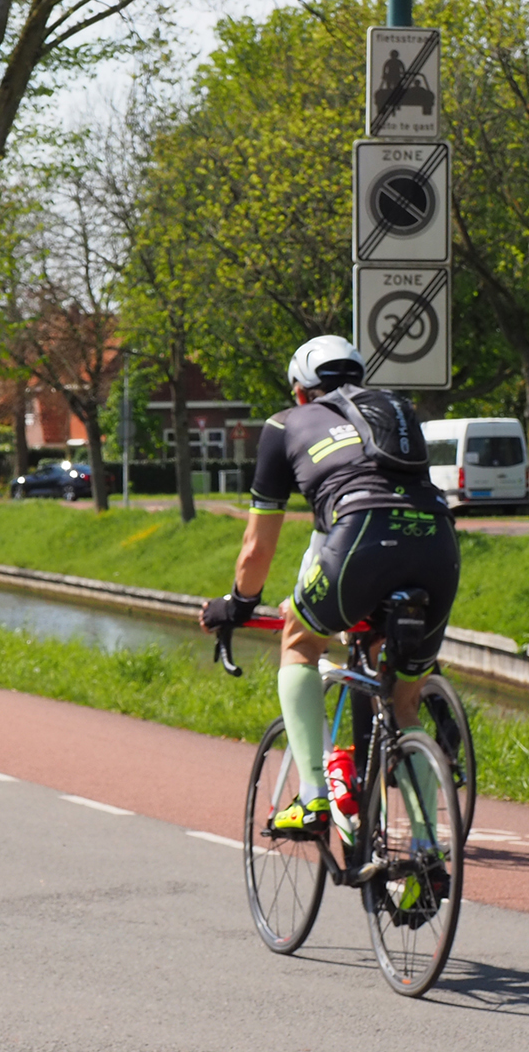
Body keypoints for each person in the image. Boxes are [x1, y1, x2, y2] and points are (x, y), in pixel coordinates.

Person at [200, 336, 459, 837]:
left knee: (298, 636)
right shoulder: (396, 411)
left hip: (361, 537)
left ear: (300, 393)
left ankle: (314, 796)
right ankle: (429, 857)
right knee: (406, 708)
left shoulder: (283, 424)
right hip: (438, 545)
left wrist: (237, 603)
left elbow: (257, 547)